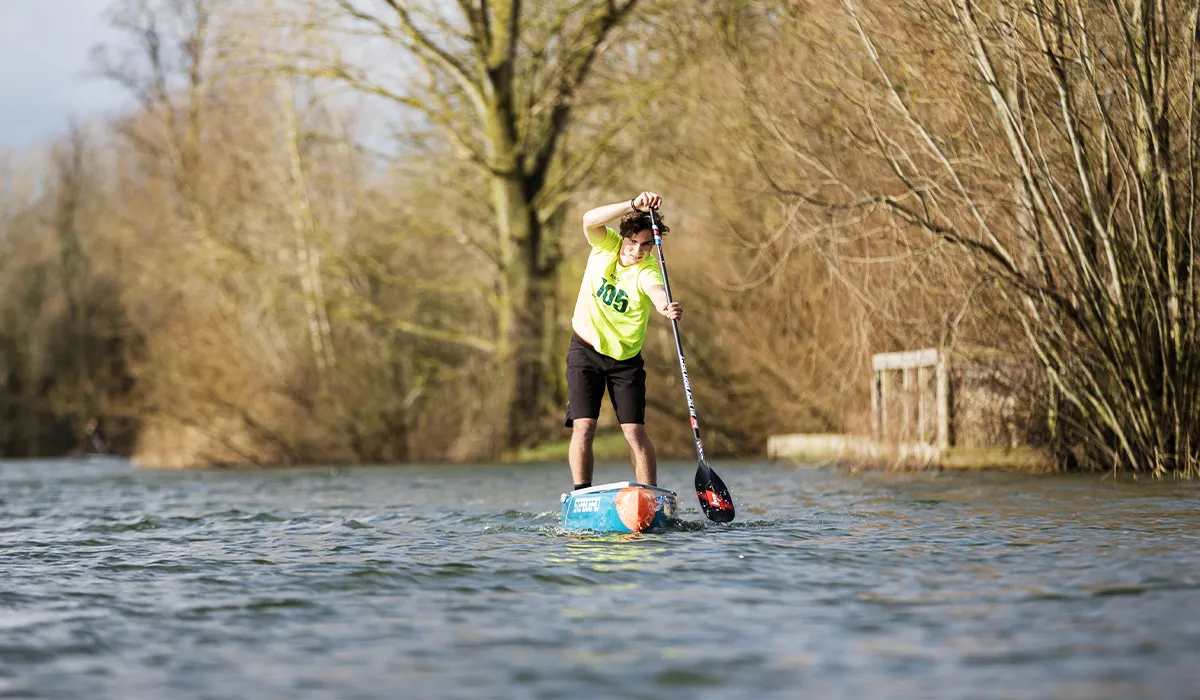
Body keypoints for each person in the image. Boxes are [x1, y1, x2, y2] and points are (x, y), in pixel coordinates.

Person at [565, 191, 682, 491]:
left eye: (645, 245)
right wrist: (632, 204)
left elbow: (656, 291)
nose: (637, 251)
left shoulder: (648, 270)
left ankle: (649, 496)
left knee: (635, 433)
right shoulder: (605, 245)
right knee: (585, 426)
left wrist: (664, 306)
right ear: (623, 237)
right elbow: (588, 219)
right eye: (633, 242)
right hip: (585, 351)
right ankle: (582, 494)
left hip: (625, 361)